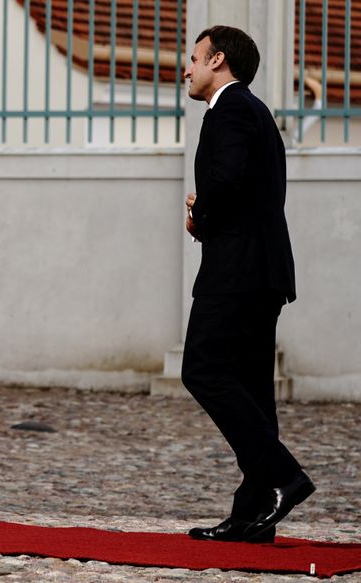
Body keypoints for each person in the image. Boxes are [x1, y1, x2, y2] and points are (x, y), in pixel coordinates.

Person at [181, 26, 314, 543]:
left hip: (236, 272)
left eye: (193, 59)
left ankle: (283, 476)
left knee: (203, 368)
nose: (186, 70)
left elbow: (226, 177)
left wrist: (200, 212)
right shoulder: (254, 110)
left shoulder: (231, 108)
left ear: (218, 60)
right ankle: (254, 511)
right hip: (262, 271)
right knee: (255, 389)